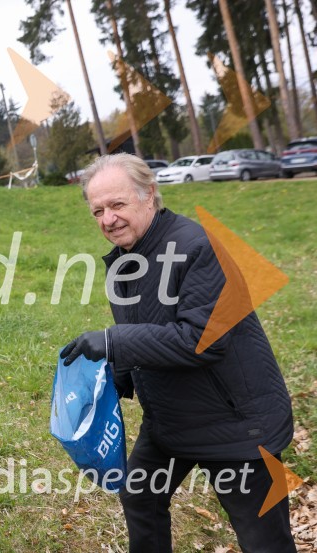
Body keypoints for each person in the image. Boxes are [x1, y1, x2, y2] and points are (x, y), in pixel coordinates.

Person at [60, 153, 295, 552]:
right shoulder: (123, 261)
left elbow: (202, 340)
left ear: (149, 195)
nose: (107, 219)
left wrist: (113, 341)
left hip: (237, 423)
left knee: (263, 539)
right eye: (97, 210)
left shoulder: (198, 247)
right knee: (141, 496)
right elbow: (147, 330)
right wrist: (110, 381)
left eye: (117, 205)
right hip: (171, 418)